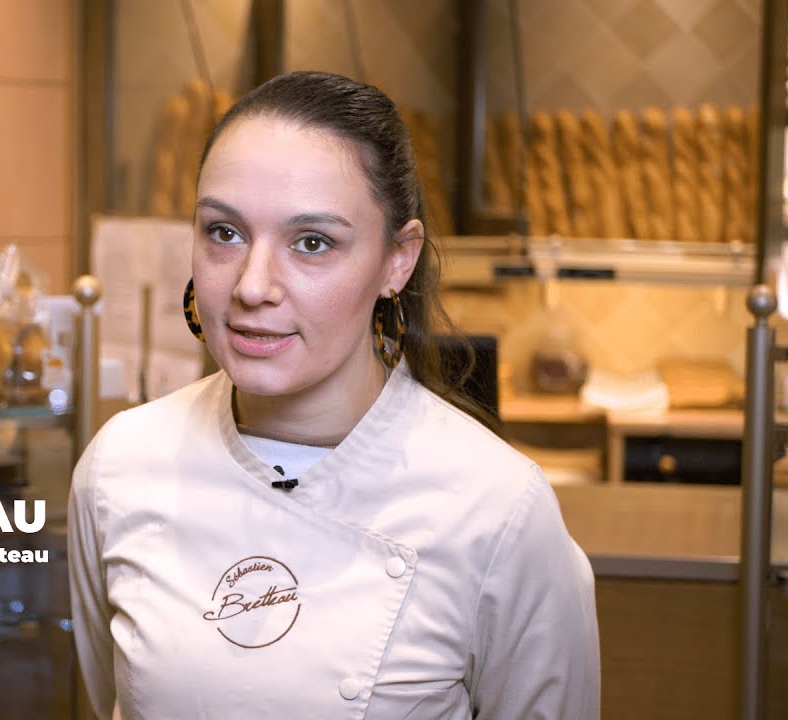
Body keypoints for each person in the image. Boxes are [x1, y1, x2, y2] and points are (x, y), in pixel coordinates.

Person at [68, 71, 599, 719]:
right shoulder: (120, 464)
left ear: (397, 260)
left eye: (312, 243)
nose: (252, 286)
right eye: (224, 233)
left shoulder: (498, 509)